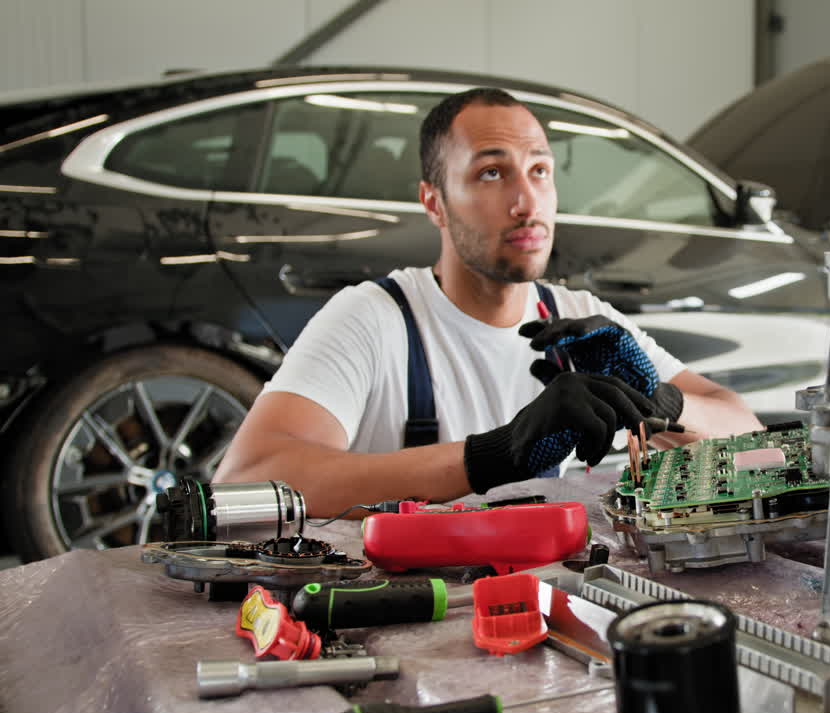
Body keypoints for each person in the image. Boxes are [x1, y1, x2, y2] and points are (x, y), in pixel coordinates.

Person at [212, 87, 762, 516]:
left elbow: (755, 446)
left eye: (540, 171)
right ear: (435, 202)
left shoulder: (578, 320)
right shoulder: (375, 319)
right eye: (492, 173)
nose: (527, 202)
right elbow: (246, 478)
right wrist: (493, 455)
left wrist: (660, 401)